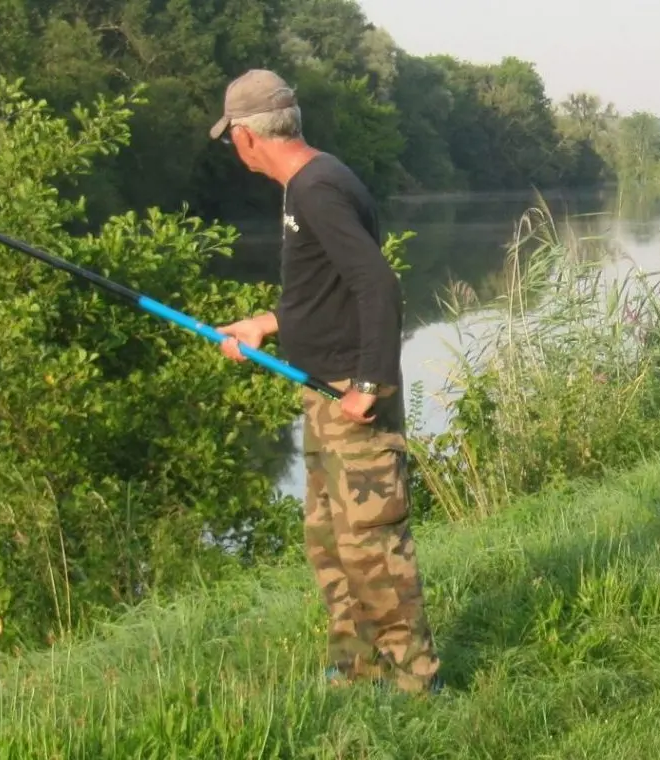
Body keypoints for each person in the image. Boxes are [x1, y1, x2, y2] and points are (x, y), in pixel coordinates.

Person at [207, 68, 442, 692]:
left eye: (231, 135)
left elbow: (377, 284)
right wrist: (265, 324)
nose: (233, 147)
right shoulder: (305, 183)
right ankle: (357, 668)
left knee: (372, 548)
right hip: (322, 393)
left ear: (246, 136)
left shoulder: (317, 190)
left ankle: (418, 683)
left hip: (349, 399)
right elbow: (326, 291)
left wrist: (369, 385)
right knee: (330, 544)